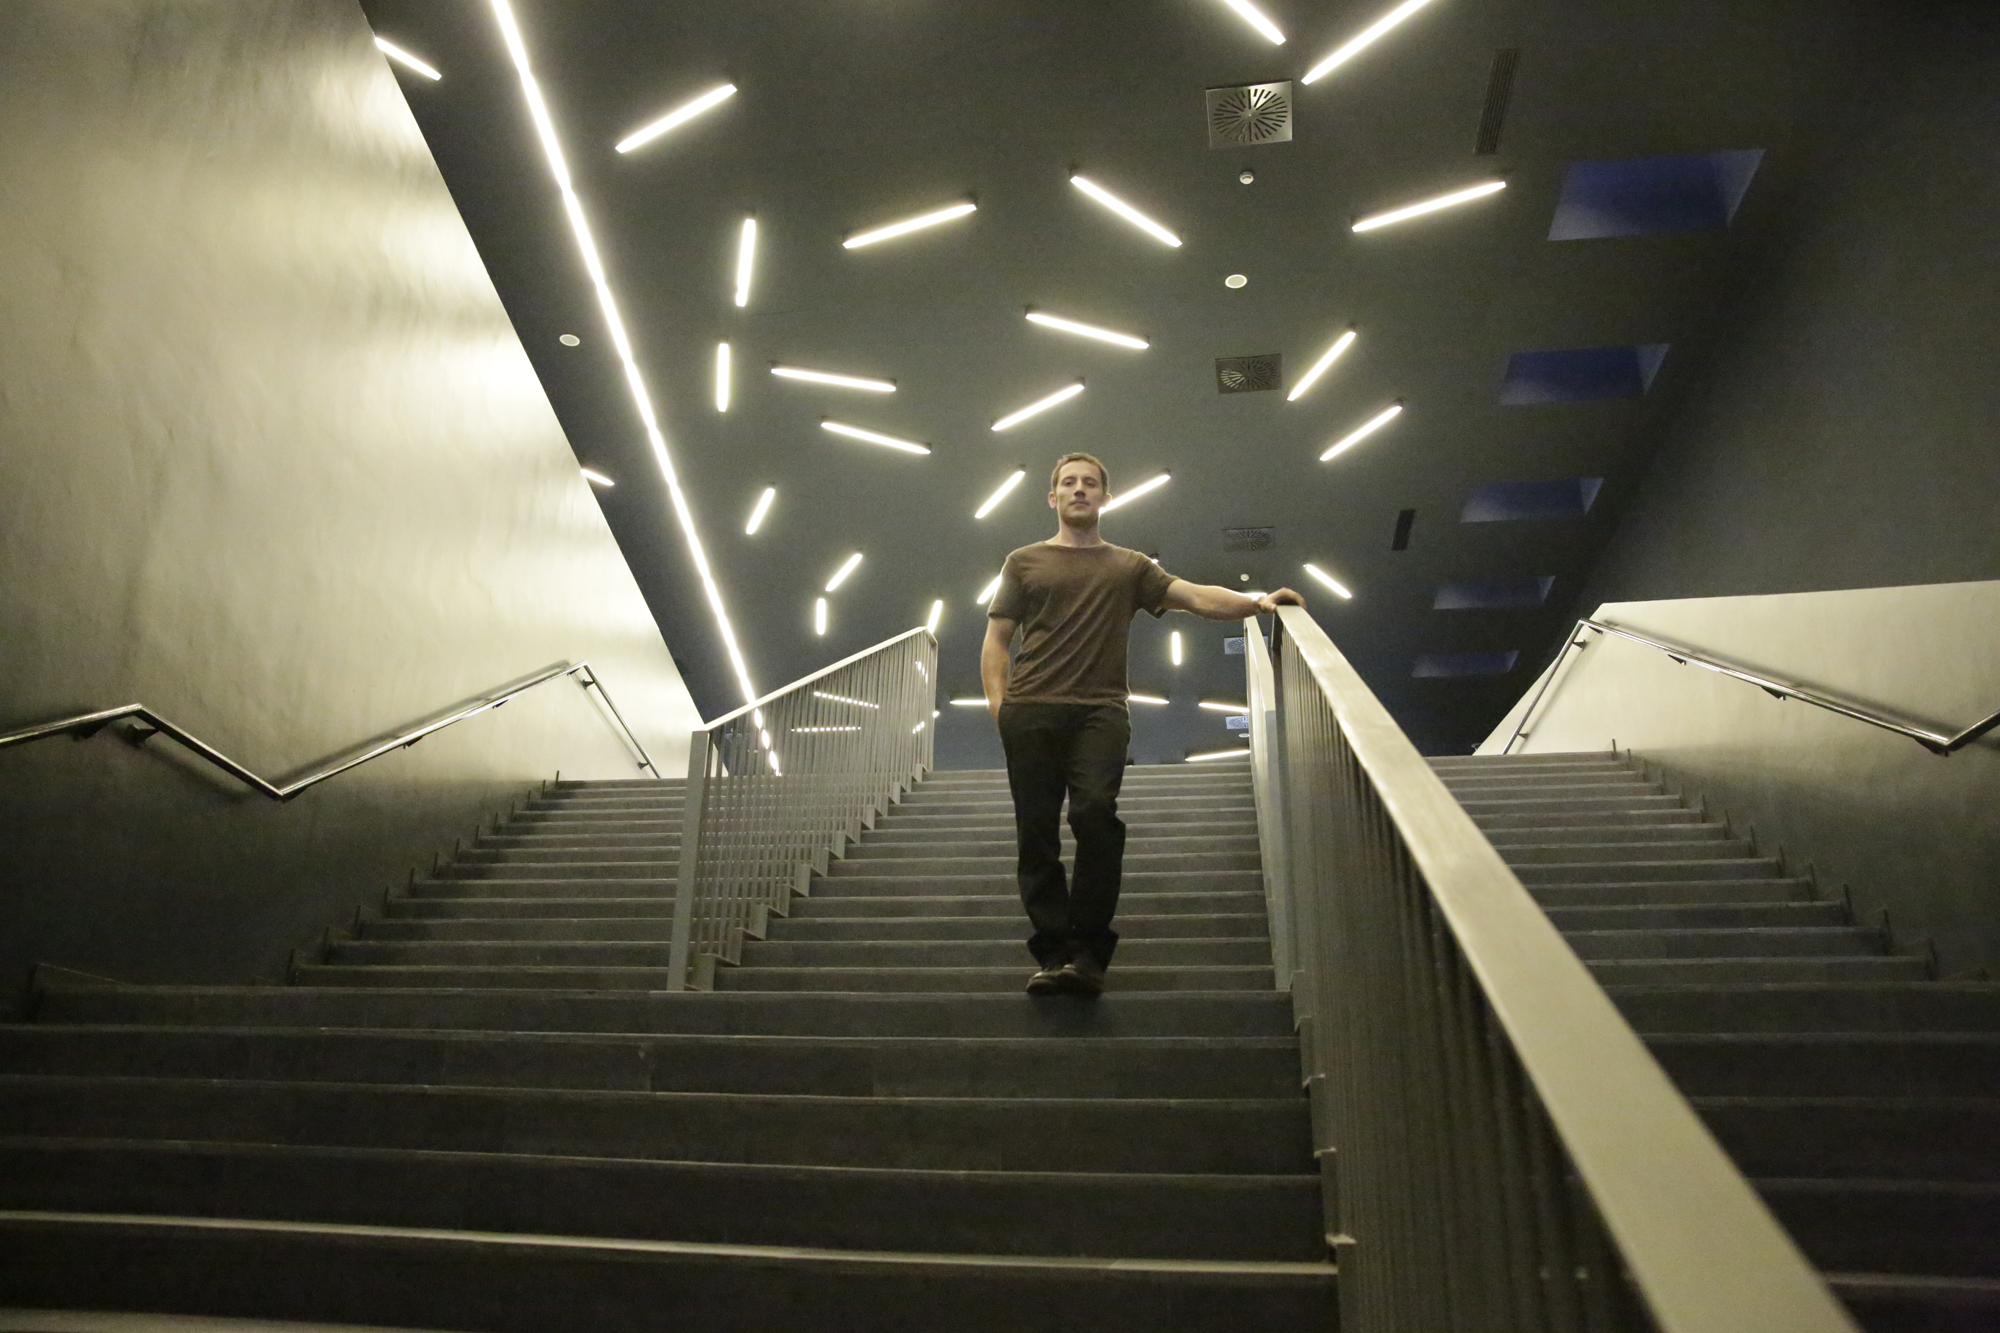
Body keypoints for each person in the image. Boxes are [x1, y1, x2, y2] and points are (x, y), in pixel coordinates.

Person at [981, 452, 1303, 997]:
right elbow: (997, 641)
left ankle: (1088, 954)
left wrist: (1258, 602)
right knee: (1036, 832)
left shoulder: (1128, 566)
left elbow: (1195, 596)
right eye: (1068, 483)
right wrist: (1000, 708)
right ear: (1052, 497)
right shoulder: (1025, 562)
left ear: (1105, 497)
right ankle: (1053, 952)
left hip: (1100, 711)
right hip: (1031, 710)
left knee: (1094, 813)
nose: (1079, 490)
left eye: (1090, 483)